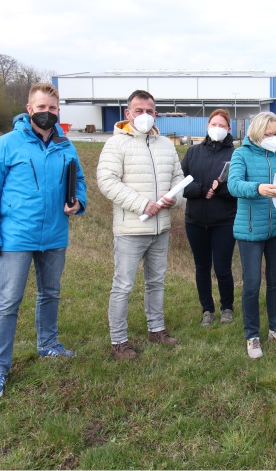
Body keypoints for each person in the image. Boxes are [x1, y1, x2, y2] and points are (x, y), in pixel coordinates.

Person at [0, 82, 87, 401]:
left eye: (52, 109)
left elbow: (78, 181)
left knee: (50, 293)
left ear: (58, 111)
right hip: (15, 237)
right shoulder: (5, 145)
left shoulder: (66, 146)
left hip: (54, 234)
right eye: (41, 108)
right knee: (8, 302)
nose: (47, 113)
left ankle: (48, 344)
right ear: (29, 110)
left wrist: (78, 202)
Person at [97, 89, 185, 360]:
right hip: (131, 229)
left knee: (156, 282)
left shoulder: (166, 145)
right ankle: (118, 341)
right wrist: (141, 204)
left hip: (161, 228)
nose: (145, 115)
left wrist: (174, 198)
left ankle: (156, 329)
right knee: (123, 285)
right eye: (139, 111)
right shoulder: (116, 144)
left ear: (155, 114)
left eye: (150, 111)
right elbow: (107, 181)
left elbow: (178, 177)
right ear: (128, 114)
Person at [228, 111, 276, 359]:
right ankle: (252, 335)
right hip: (249, 231)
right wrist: (257, 188)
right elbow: (233, 185)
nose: (273, 138)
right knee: (252, 284)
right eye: (268, 134)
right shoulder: (241, 154)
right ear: (257, 133)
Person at [181, 109, 237, 326]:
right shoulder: (193, 153)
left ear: (229, 129)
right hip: (195, 220)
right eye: (214, 124)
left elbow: (238, 188)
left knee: (222, 268)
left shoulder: (236, 155)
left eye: (222, 125)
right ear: (207, 126)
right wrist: (202, 189)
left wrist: (221, 189)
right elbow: (180, 183)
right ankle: (207, 309)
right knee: (202, 267)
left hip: (224, 221)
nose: (217, 128)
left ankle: (227, 307)